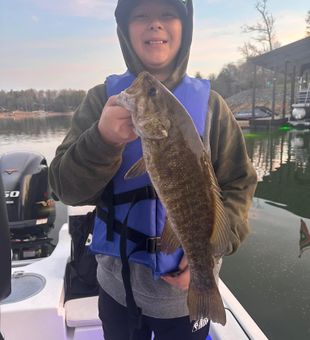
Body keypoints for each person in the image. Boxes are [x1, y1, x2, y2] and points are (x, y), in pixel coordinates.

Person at [49, 0, 257, 339]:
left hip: (184, 297)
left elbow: (240, 183)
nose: (154, 25)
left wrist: (210, 252)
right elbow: (64, 189)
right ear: (124, 30)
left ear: (185, 29)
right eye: (141, 16)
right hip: (118, 290)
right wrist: (101, 139)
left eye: (168, 15)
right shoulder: (101, 100)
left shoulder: (212, 107)